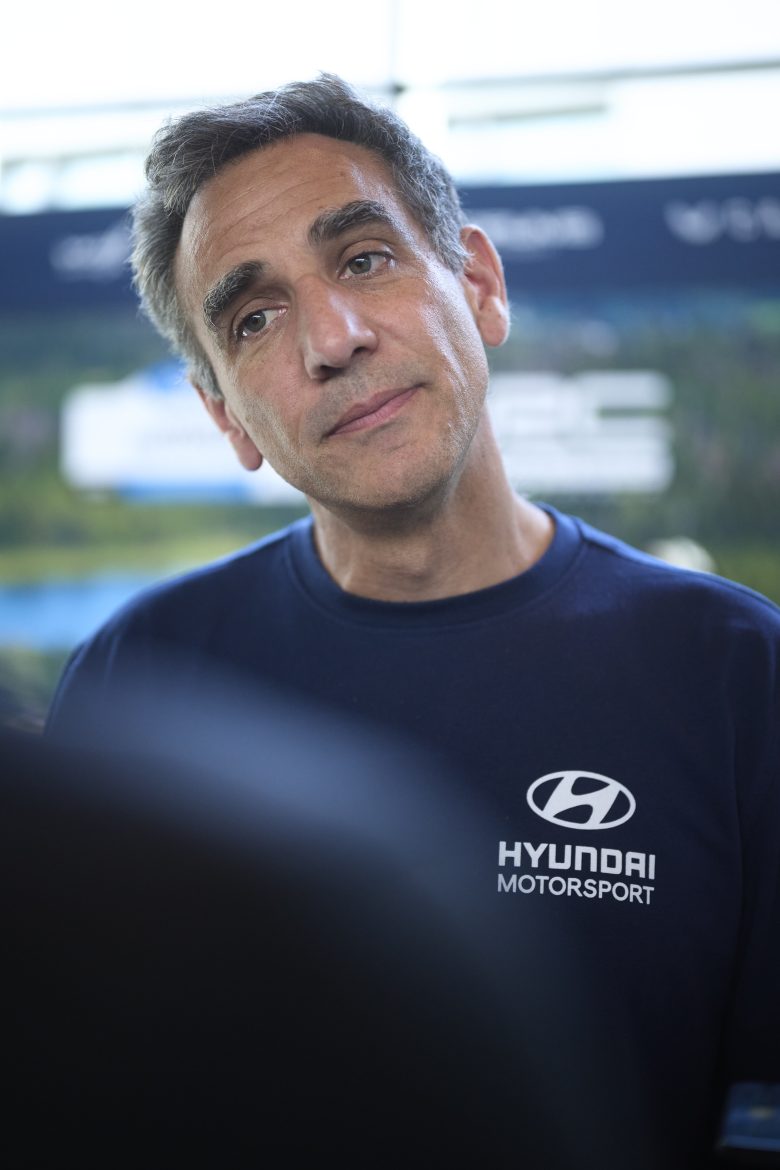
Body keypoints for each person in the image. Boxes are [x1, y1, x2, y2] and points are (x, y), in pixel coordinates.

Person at [47, 75, 780, 1166]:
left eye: (364, 259)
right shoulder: (139, 678)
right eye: (255, 318)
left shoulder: (737, 672)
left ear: (478, 285)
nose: (332, 339)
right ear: (226, 415)